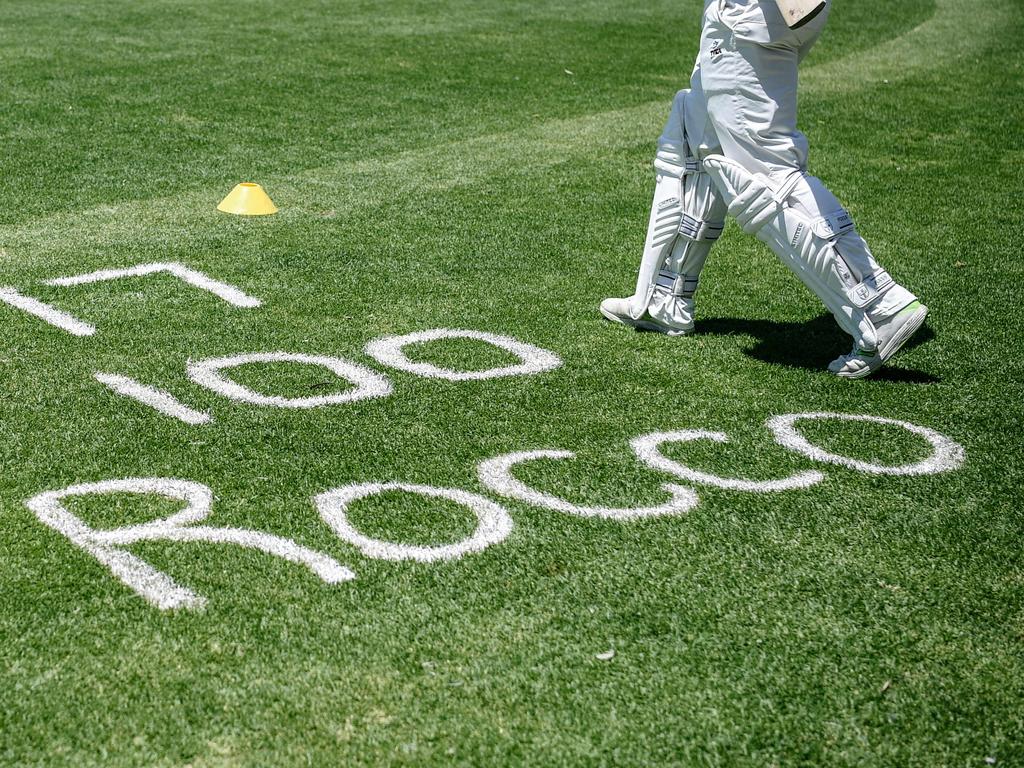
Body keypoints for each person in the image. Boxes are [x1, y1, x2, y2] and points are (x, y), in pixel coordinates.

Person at [600, 0, 927, 379]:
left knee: (763, 174)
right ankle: (665, 299)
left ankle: (879, 305)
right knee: (696, 138)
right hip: (755, 17)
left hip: (750, 17)